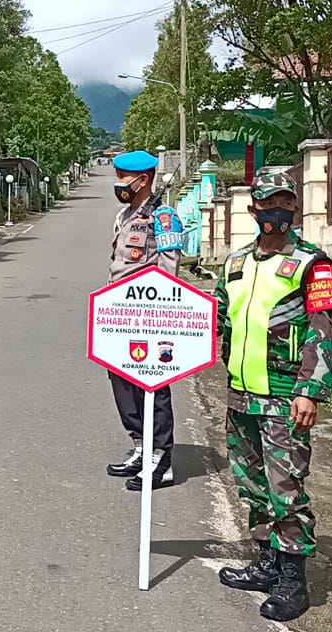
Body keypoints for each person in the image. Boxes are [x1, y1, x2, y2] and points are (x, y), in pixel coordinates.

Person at [214, 170, 332, 622]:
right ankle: (266, 563)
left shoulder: (312, 263)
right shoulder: (235, 264)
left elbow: (322, 331)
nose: (278, 211)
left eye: (286, 202)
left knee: (286, 488)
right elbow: (217, 319)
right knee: (252, 484)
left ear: (294, 209)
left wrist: (310, 391)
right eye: (270, 202)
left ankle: (292, 580)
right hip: (240, 393)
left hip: (285, 395)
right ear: (254, 210)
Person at [105, 150, 183, 491]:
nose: (119, 183)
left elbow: (170, 266)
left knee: (151, 382)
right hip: (119, 313)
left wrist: (164, 315)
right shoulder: (125, 215)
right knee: (121, 376)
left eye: (124, 178)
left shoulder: (163, 217)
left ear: (143, 179)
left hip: (149, 315)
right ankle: (141, 445)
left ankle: (161, 457)